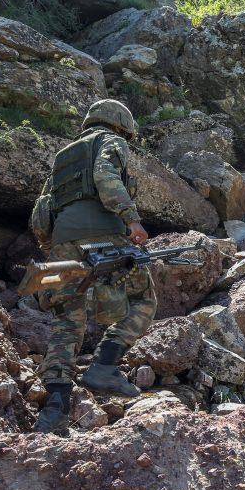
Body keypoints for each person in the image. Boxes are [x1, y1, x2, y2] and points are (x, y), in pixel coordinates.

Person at [31, 99, 157, 434]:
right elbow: (105, 175)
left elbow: (43, 208)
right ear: (121, 124)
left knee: (66, 323)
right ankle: (104, 364)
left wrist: (55, 250)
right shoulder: (110, 141)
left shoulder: (62, 158)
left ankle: (55, 406)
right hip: (105, 234)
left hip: (62, 241)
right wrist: (132, 220)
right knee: (143, 298)